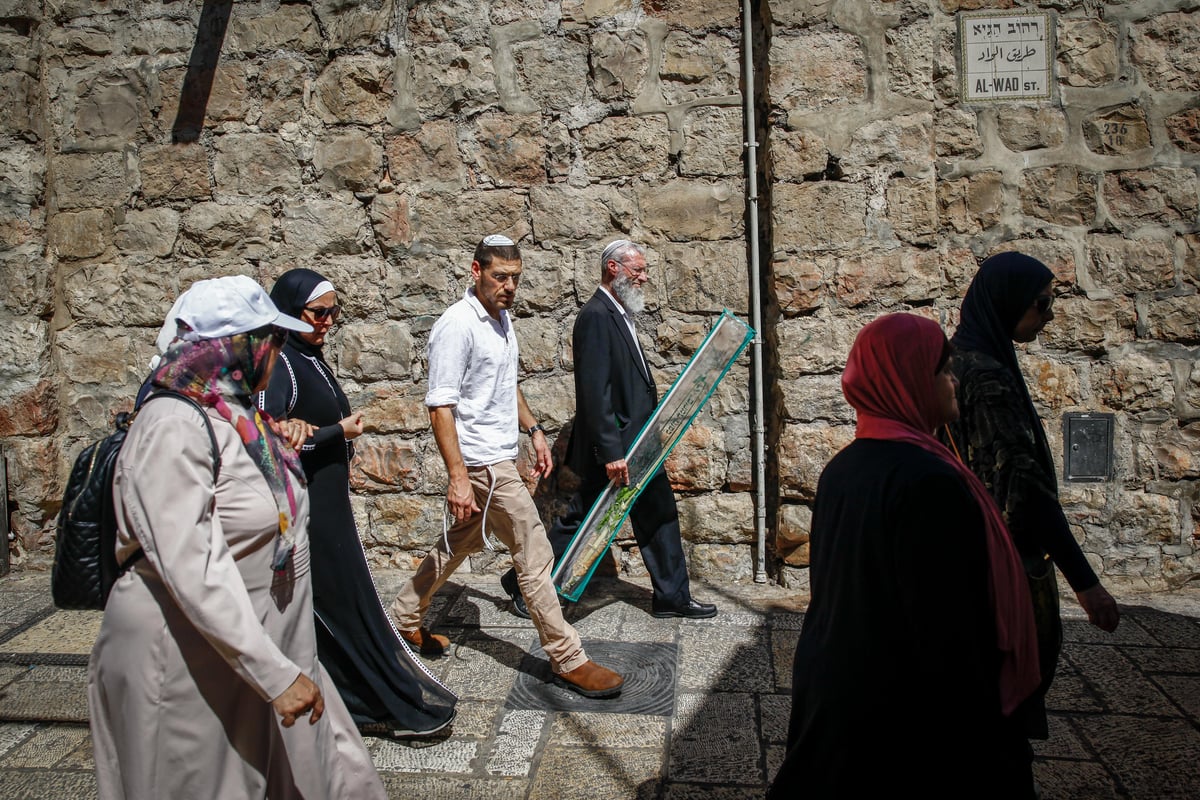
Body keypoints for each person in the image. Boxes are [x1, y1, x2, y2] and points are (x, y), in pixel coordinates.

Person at [88, 275, 385, 799]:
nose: (277, 349)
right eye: (269, 338)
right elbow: (191, 564)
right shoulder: (171, 424)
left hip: (260, 648)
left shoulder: (238, 414)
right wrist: (273, 673)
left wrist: (283, 439)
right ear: (236, 349)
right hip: (186, 659)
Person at [769, 313, 1041, 797]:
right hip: (902, 720)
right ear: (906, 379)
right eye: (941, 369)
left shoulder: (846, 467)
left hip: (842, 696)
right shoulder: (929, 482)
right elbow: (947, 631)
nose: (953, 380)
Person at [387, 234, 625, 699]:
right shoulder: (457, 326)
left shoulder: (501, 319)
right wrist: (458, 477)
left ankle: (404, 616)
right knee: (534, 554)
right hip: (481, 464)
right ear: (475, 272)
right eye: (500, 276)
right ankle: (567, 658)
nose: (509, 286)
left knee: (462, 540)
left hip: (496, 458)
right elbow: (440, 406)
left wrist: (534, 429)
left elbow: (504, 384)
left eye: (515, 277)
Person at [257, 268, 457, 738]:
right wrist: (337, 432)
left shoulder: (308, 355)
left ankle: (358, 697)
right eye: (318, 312)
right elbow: (269, 443)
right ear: (290, 311)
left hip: (327, 502)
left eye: (334, 312)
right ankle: (371, 703)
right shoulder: (282, 361)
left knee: (345, 601)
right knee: (341, 605)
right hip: (307, 508)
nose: (328, 321)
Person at [944, 251, 1120, 741]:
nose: (1049, 314)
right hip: (1000, 561)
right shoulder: (987, 376)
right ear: (1008, 302)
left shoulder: (959, 360)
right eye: (1041, 304)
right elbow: (1026, 490)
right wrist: (1085, 582)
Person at [500, 240, 716, 619]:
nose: (645, 277)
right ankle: (522, 582)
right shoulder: (597, 316)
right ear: (613, 269)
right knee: (582, 521)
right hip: (617, 448)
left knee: (657, 512)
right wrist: (612, 451)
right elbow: (594, 391)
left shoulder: (620, 313)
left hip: (638, 445)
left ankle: (671, 596)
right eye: (638, 270)